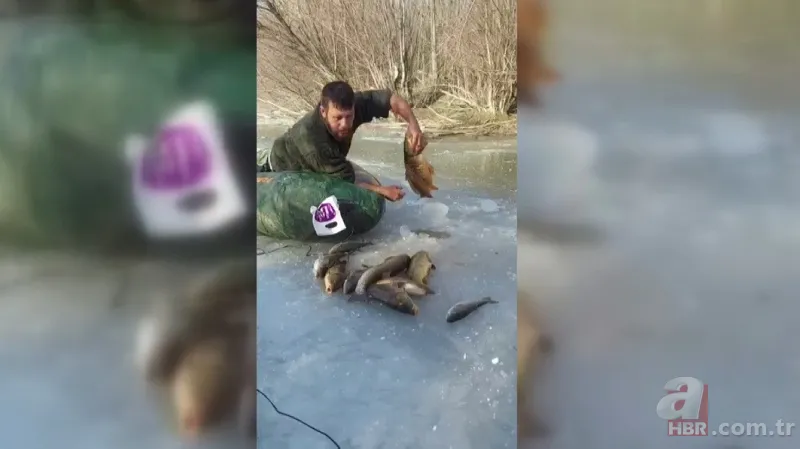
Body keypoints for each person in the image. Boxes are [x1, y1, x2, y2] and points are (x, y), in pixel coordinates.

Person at [261, 81, 427, 202]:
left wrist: (414, 126)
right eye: (337, 118)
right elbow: (346, 181)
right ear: (323, 111)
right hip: (284, 165)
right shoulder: (313, 140)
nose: (345, 124)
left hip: (323, 159)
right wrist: (382, 190)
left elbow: (393, 100)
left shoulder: (357, 103)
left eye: (349, 116)